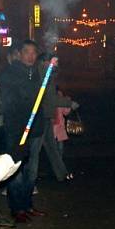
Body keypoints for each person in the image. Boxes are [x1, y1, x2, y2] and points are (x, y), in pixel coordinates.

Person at [0, 39, 46, 223]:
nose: (31, 56)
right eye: (27, 52)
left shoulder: (35, 72)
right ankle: (17, 208)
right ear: (19, 54)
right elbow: (14, 100)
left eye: (34, 52)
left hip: (35, 128)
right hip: (17, 129)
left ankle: (27, 204)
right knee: (16, 170)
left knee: (31, 171)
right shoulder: (10, 73)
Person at [39, 54, 77, 182]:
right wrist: (68, 103)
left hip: (45, 116)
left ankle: (62, 174)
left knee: (51, 147)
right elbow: (50, 98)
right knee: (34, 150)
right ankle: (26, 179)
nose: (56, 64)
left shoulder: (47, 76)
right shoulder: (44, 76)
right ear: (45, 62)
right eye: (53, 62)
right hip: (42, 117)